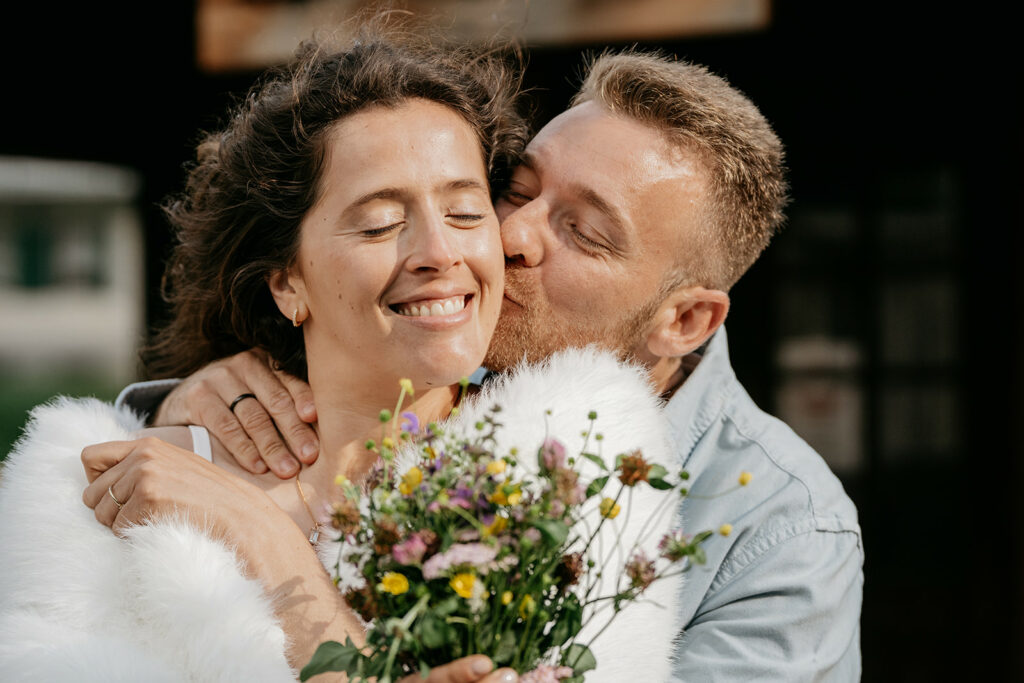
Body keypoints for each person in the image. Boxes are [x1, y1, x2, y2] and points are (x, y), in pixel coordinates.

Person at [132, 48, 865, 680]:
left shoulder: (785, 528)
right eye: (514, 188)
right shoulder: (428, 380)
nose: (508, 234)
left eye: (582, 231)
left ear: (684, 321)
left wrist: (268, 544)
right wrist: (189, 403)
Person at [0, 24, 686, 683]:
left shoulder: (571, 474)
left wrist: (262, 538)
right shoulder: (114, 485)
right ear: (287, 281)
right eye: (381, 222)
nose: (440, 253)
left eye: (467, 212)